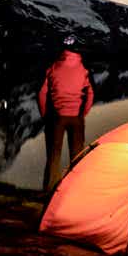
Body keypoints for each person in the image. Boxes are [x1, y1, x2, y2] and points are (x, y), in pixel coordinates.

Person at [38, 34, 94, 193]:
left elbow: (42, 93)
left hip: (57, 118)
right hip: (76, 118)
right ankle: (74, 193)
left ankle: (49, 192)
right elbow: (90, 94)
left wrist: (45, 114)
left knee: (53, 156)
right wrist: (83, 113)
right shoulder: (83, 69)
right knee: (77, 157)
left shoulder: (53, 67)